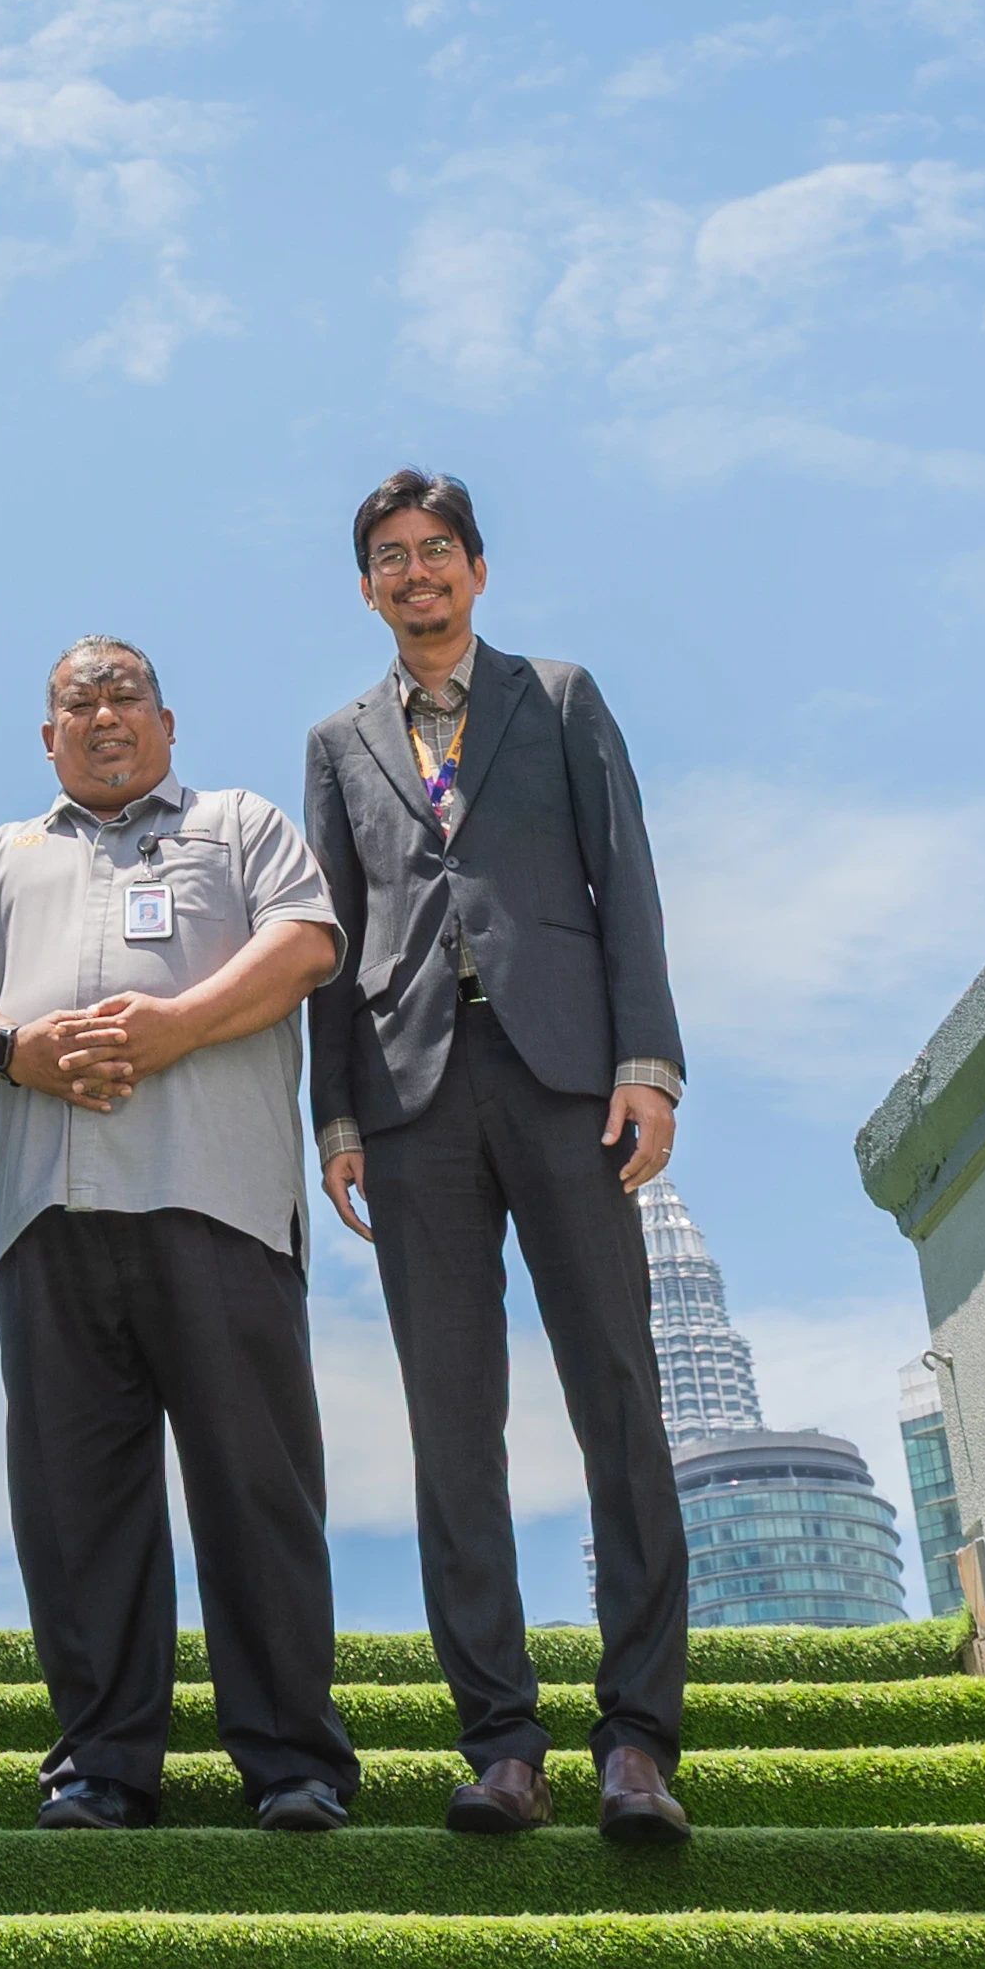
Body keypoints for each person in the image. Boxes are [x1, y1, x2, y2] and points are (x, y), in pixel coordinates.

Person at [305, 468, 692, 1846]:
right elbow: (332, 938)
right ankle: (502, 1741)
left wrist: (647, 1060)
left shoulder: (563, 695)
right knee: (450, 1421)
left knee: (615, 1389)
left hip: (566, 1079)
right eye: (390, 558)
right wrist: (333, 1113)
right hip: (412, 1099)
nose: (415, 574)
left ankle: (638, 1736)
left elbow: (622, 877)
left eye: (436, 552)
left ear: (475, 568)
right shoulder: (338, 738)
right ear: (365, 586)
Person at [0, 642, 358, 1833]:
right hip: (51, 1212)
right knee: (76, 1502)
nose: (103, 716)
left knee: (255, 1487)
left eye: (124, 697)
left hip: (216, 1201)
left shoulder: (239, 823)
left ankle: (292, 1761)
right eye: (77, 701)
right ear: (45, 734)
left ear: (168, 719)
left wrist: (178, 1025)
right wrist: (18, 1047)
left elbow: (307, 944)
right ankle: (105, 1762)